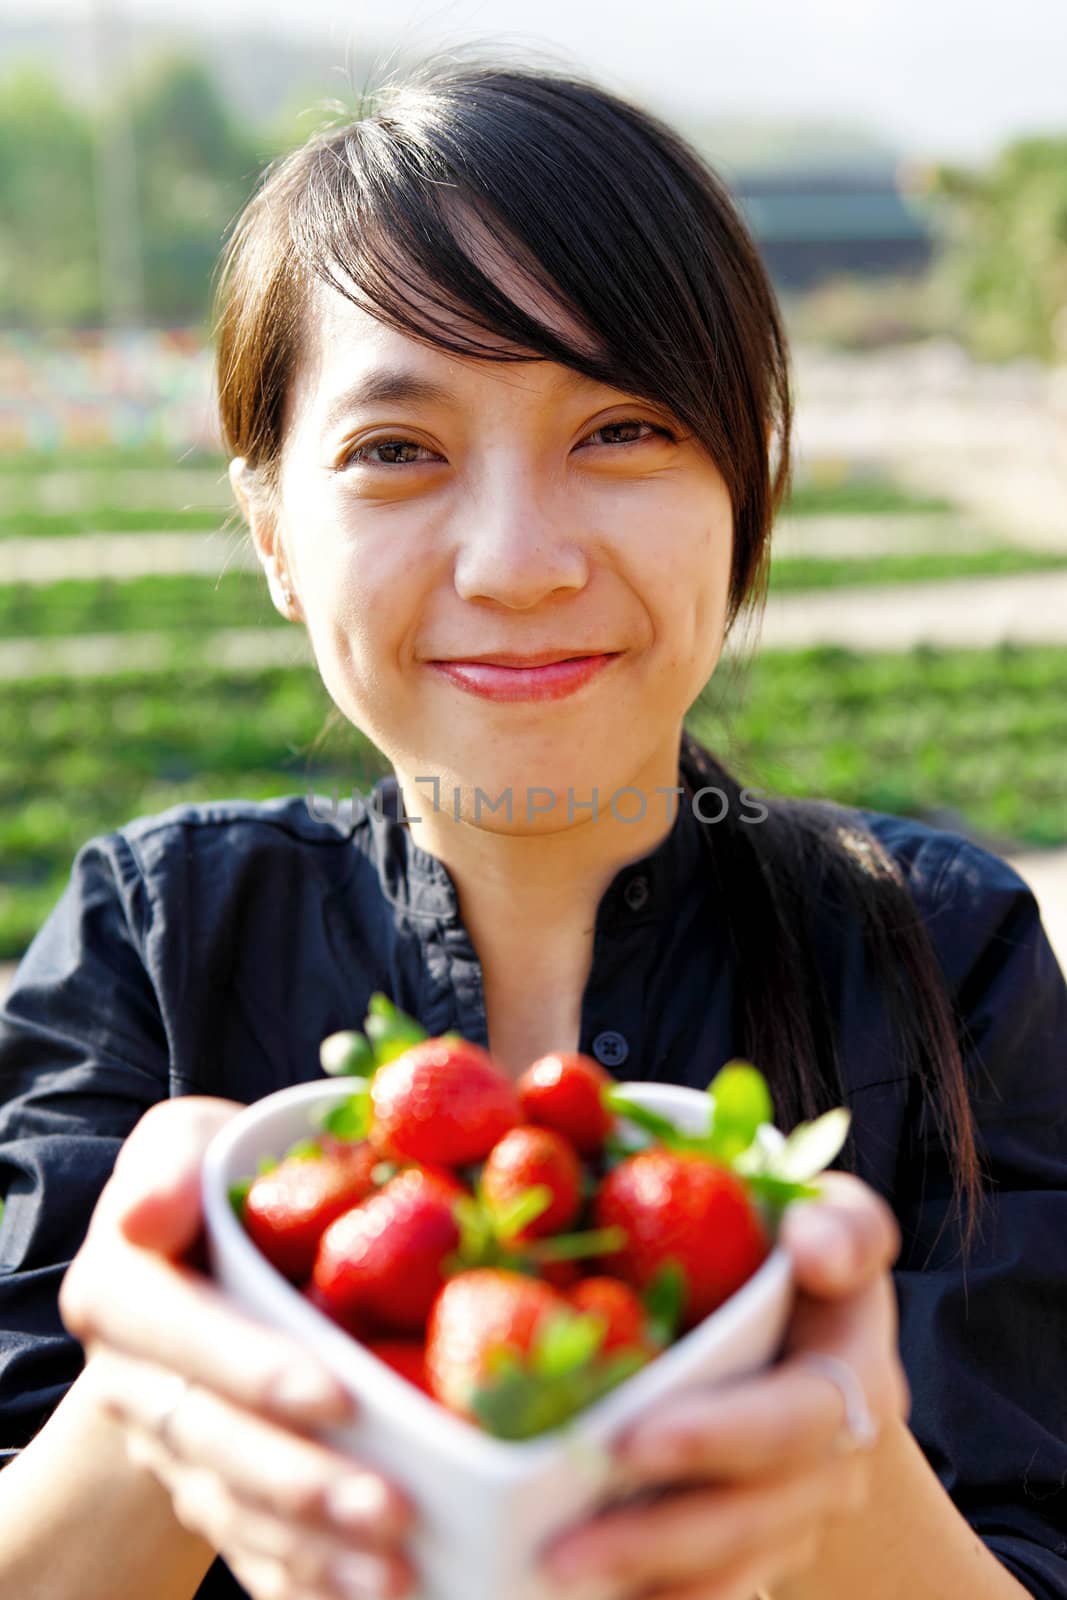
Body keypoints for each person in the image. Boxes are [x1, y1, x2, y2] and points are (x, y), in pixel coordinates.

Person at [1, 58, 1065, 1600]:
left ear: (747, 477)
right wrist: (147, 1408)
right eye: (397, 450)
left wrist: (835, 1467)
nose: (514, 561)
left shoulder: (941, 956)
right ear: (274, 530)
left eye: (622, 428)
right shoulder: (152, 943)